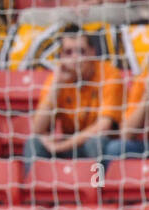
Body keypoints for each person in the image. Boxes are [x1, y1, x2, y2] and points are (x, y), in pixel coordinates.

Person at [23, 26, 122, 164]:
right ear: (61, 56)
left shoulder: (109, 74)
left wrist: (60, 146)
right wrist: (57, 85)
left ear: (92, 53)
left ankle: (97, 185)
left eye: (81, 51)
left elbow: (103, 127)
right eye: (68, 52)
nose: (75, 58)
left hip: (97, 144)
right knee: (34, 143)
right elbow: (37, 129)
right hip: (69, 142)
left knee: (96, 143)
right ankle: (37, 185)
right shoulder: (57, 77)